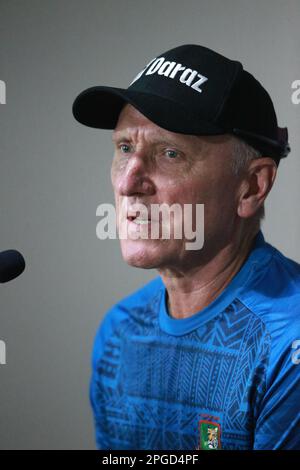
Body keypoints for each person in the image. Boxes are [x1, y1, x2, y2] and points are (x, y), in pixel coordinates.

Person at [72, 44, 300, 450]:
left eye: (169, 153)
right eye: (125, 148)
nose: (128, 183)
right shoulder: (118, 333)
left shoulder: (288, 343)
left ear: (251, 187)